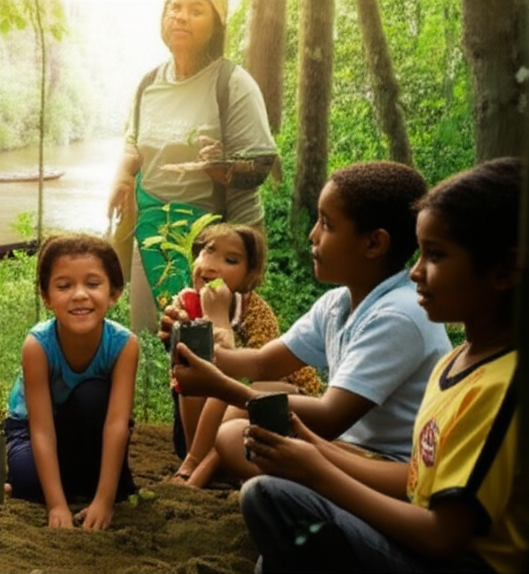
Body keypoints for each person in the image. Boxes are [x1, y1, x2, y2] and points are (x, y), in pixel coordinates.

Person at [238, 157, 527, 573]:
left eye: (436, 256)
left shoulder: (501, 388)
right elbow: (415, 483)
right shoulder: (455, 364)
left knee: (271, 499)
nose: (415, 273)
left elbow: (443, 537)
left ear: (502, 270)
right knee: (279, 537)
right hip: (419, 533)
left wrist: (319, 472)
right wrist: (312, 447)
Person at [172, 161, 453, 482]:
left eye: (327, 224)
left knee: (235, 437)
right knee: (234, 436)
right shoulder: (338, 304)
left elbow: (329, 417)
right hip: (347, 448)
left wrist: (221, 385)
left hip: (395, 465)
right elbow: (264, 363)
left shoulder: (398, 315)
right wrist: (196, 353)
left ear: (373, 243)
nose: (313, 234)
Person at [108, 0, 278, 335]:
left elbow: (261, 164)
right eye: (175, 7)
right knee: (150, 333)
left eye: (196, 10)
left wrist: (221, 166)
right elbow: (133, 141)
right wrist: (122, 175)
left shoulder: (232, 84)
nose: (181, 17)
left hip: (212, 235)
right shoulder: (148, 84)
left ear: (216, 24)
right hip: (152, 228)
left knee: (209, 334)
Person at [164, 223, 322, 488]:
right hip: (218, 412)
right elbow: (187, 374)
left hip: (277, 400)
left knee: (232, 394)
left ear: (250, 273)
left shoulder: (257, 311)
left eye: (230, 260)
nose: (212, 265)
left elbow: (253, 375)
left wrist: (218, 320)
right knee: (188, 378)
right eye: (208, 251)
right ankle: (196, 458)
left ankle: (196, 466)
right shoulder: (186, 303)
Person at [4, 234, 139, 531]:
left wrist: (104, 501)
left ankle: (94, 487)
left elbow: (117, 423)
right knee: (27, 482)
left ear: (114, 292)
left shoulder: (123, 345)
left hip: (86, 423)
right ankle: (69, 486)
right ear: (47, 297)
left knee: (93, 395)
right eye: (64, 286)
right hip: (32, 429)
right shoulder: (38, 345)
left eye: (93, 284)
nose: (79, 295)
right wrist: (56, 505)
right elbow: (41, 429)